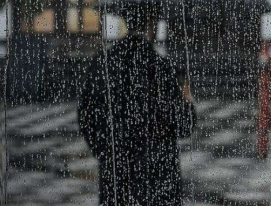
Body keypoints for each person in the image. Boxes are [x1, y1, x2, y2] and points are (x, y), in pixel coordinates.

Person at [78, 11, 196, 206]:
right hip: (159, 177)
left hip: (115, 174)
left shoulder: (103, 63)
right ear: (150, 24)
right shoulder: (161, 67)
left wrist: (107, 154)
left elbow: (86, 116)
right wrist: (186, 99)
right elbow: (184, 125)